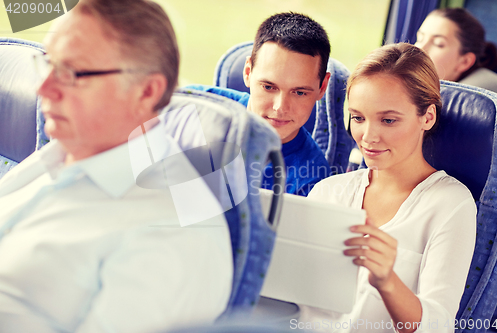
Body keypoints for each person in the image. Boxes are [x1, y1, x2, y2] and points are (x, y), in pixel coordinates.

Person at [0, 0, 233, 332]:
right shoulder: (58, 154)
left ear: (147, 91)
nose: (43, 88)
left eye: (71, 73)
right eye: (48, 63)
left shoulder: (175, 233)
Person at [300, 43, 476, 332]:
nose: (368, 137)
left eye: (388, 120)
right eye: (358, 118)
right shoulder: (327, 192)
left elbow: (439, 325)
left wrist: (387, 281)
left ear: (427, 117)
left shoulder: (450, 204)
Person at [188, 12, 333, 196]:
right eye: (269, 87)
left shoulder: (313, 183)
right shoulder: (192, 106)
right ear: (248, 72)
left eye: (299, 92)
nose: (280, 107)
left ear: (322, 87)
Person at [415, 7, 497, 94]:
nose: (419, 49)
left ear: (465, 62)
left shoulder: (474, 97)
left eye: (438, 44)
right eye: (420, 39)